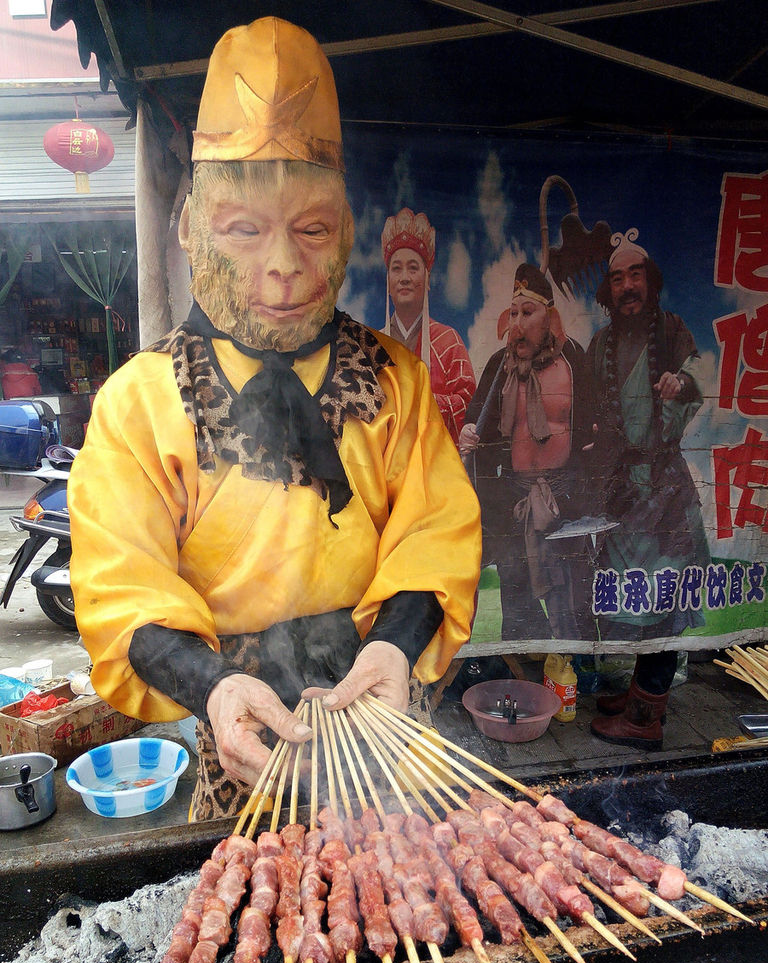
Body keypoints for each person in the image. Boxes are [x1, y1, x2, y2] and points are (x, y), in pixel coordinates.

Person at [68, 17, 481, 822]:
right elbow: (124, 589)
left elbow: (436, 534)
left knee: (408, 904)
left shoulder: (396, 382)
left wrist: (395, 649)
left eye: (311, 230)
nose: (284, 266)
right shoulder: (139, 403)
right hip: (241, 735)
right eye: (245, 231)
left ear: (346, 235)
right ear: (191, 231)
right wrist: (214, 690)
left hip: (384, 716)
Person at [588, 228, 709, 749]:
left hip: (665, 489)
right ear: (609, 291)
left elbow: (700, 370)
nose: (627, 286)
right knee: (637, 597)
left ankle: (645, 717)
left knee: (665, 595)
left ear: (651, 282)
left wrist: (682, 383)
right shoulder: (601, 345)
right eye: (618, 278)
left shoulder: (673, 329)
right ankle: (641, 691)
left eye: (636, 274)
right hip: (624, 490)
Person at [458, 263, 596, 641]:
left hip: (563, 500)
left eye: (528, 312)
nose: (517, 323)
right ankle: (523, 680)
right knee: (517, 604)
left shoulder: (573, 361)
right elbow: (476, 424)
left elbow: (596, 423)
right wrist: (470, 433)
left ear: (549, 317)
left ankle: (572, 682)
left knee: (571, 603)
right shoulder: (499, 368)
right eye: (514, 313)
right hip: (514, 501)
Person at [382, 208, 476, 444]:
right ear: (389, 283)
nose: (404, 277)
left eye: (413, 268)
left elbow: (469, 405)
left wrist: (424, 403)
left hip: (434, 466)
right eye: (396, 268)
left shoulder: (448, 341)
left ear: (427, 279)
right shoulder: (372, 344)